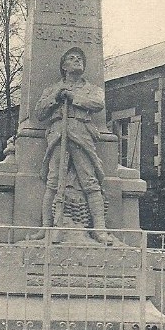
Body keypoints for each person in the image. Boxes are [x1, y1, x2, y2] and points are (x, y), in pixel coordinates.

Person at [34, 46, 112, 244]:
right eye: (72, 58)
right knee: (53, 181)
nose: (77, 60)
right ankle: (46, 228)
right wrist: (56, 98)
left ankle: (100, 229)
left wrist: (74, 98)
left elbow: (97, 104)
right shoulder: (52, 89)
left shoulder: (92, 89)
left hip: (80, 133)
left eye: (80, 58)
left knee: (89, 180)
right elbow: (40, 113)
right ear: (64, 66)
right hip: (58, 133)